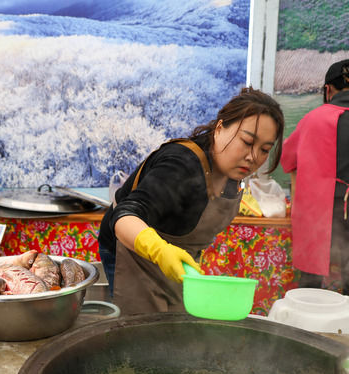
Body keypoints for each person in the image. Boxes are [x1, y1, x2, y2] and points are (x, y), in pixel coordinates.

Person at [98, 87, 284, 316]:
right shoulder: (181, 164)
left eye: (264, 150)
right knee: (141, 327)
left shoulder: (232, 173)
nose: (253, 157)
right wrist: (159, 250)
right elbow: (125, 216)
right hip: (132, 254)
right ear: (219, 128)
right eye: (247, 142)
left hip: (175, 259)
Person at [280, 58, 349, 294]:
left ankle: (307, 313)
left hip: (320, 214)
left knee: (310, 283)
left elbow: (287, 160)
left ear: (328, 90)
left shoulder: (313, 119)